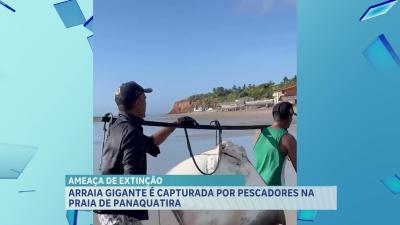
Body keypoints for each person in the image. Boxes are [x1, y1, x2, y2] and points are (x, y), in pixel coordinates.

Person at [96, 81, 183, 225]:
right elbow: (131, 179)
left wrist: (175, 125)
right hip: (120, 213)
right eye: (144, 99)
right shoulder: (131, 132)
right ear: (137, 102)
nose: (146, 103)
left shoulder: (118, 125)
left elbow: (150, 143)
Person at [253, 101, 297, 186]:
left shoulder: (258, 133)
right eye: (291, 116)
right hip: (275, 191)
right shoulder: (288, 138)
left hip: (257, 187)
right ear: (289, 116)